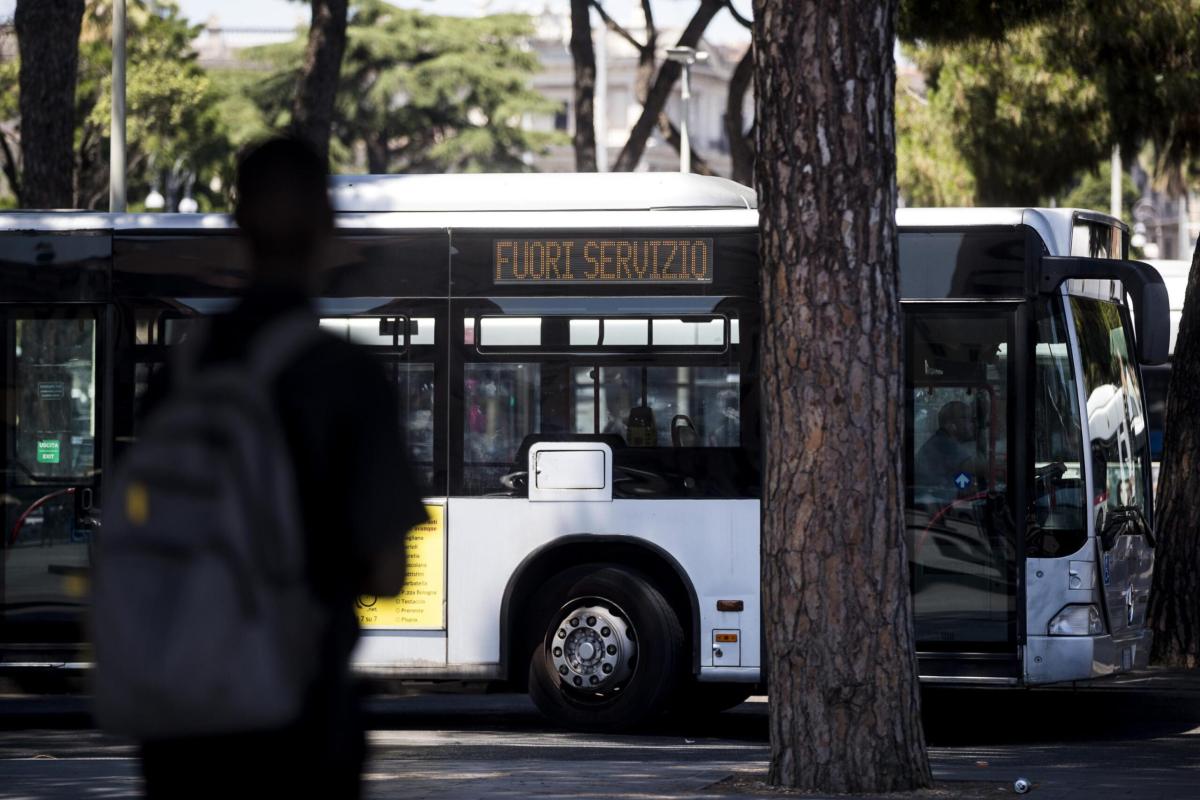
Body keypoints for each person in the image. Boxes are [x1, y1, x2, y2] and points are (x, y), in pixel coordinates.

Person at [136, 138, 426, 798]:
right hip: (298, 720)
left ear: (237, 225)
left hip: (182, 729)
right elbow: (387, 571)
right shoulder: (346, 378)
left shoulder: (177, 373)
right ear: (326, 227)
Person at [914, 400, 978, 498]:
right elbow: (967, 490)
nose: (972, 424)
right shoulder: (952, 449)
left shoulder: (938, 441)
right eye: (965, 418)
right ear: (951, 425)